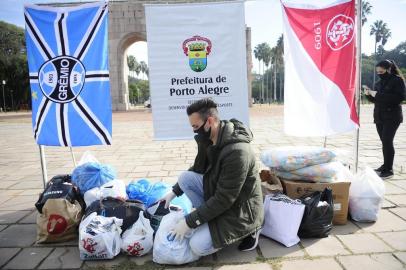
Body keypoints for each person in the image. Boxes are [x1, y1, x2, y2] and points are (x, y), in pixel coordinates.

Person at [159, 98, 264, 256]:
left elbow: (225, 199)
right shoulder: (209, 138)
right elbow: (198, 168)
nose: (194, 131)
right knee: (185, 178)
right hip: (221, 194)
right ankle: (208, 219)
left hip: (240, 209)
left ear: (210, 121)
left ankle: (252, 230)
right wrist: (174, 192)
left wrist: (189, 222)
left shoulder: (237, 151)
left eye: (196, 126)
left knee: (198, 246)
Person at [364, 59, 405, 179]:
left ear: (388, 69)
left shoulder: (397, 81)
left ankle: (389, 169)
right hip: (379, 116)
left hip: (392, 116)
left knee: (387, 141)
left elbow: (399, 98)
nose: (379, 74)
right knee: (384, 142)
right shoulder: (378, 83)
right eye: (378, 72)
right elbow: (377, 100)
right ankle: (385, 165)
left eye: (381, 71)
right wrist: (368, 95)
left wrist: (377, 95)